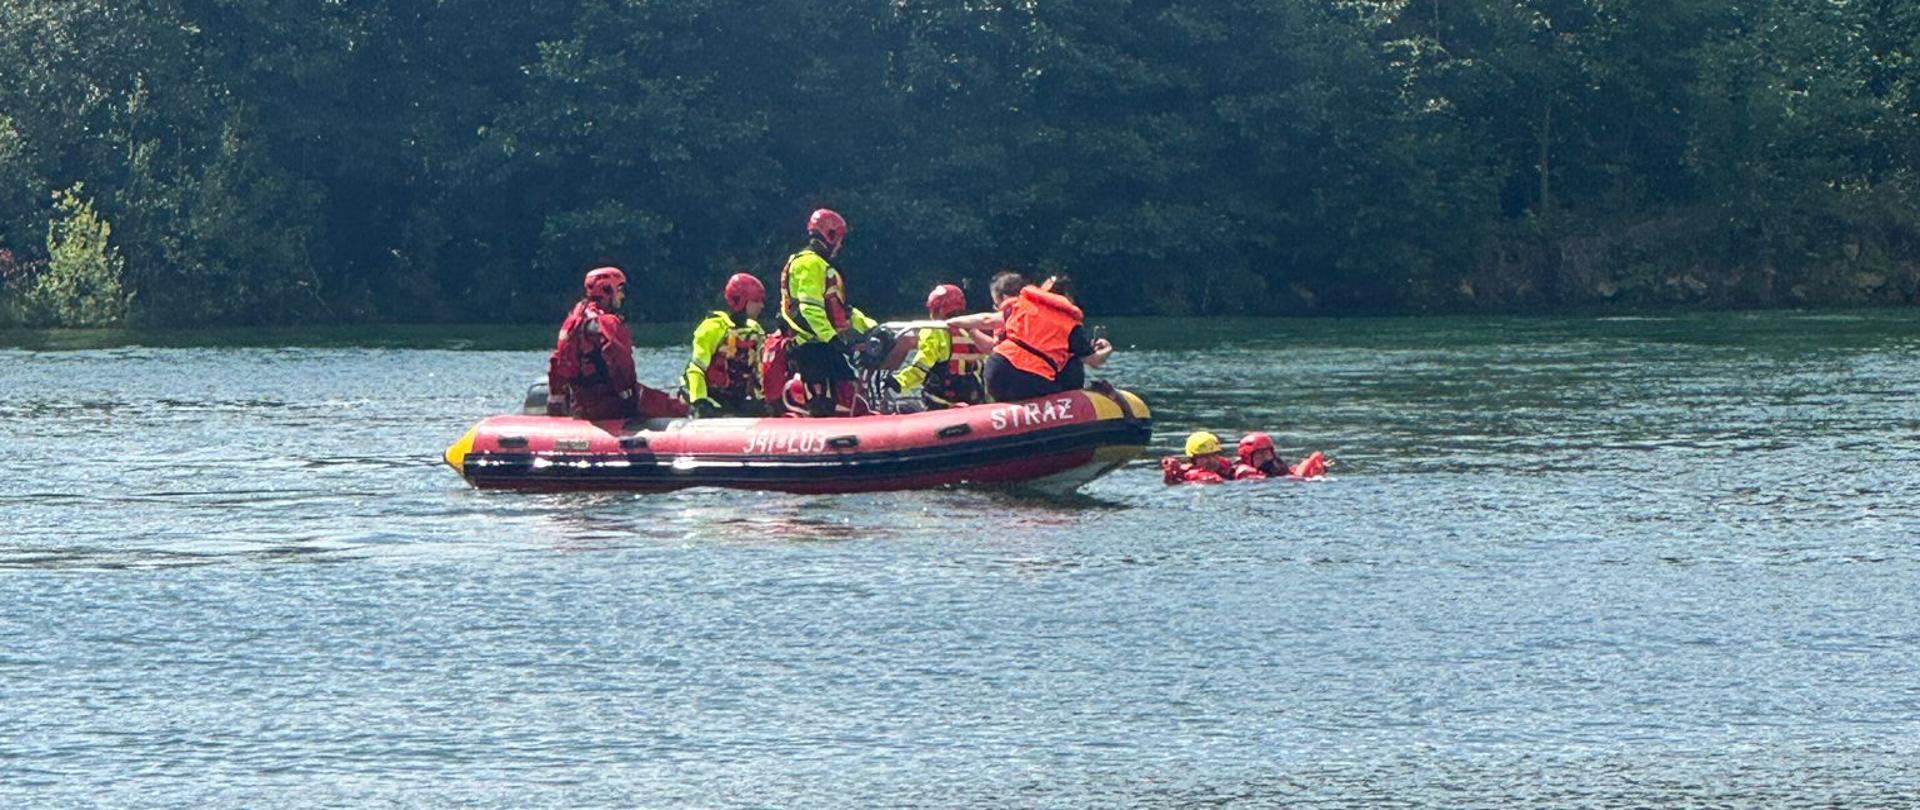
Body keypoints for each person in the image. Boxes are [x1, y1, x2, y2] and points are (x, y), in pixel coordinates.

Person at [548, 266, 689, 421]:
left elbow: (557, 363)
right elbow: (620, 363)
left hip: (582, 403)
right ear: (607, 290)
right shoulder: (607, 323)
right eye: (620, 290)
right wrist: (629, 397)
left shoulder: (573, 322)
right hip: (611, 403)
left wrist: (556, 400)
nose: (622, 296)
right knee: (677, 407)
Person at [778, 208, 876, 416]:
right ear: (830, 235)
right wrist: (833, 339)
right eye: (839, 239)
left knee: (850, 392)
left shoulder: (821, 265)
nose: (840, 246)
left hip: (826, 346)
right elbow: (809, 310)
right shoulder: (809, 263)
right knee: (822, 404)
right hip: (812, 348)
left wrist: (874, 329)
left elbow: (844, 312)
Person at [984, 274, 1114, 402]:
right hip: (1031, 380)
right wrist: (1107, 349)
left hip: (996, 370)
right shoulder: (1070, 325)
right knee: (1072, 359)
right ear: (1068, 298)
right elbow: (1094, 360)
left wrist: (965, 324)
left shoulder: (1025, 306)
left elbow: (986, 320)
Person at [889, 283, 987, 409]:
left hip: (940, 399)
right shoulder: (976, 330)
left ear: (938, 309)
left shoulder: (933, 331)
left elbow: (921, 366)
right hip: (973, 395)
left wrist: (899, 381)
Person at [684, 272, 768, 417]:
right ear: (740, 301)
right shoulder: (713, 327)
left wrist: (764, 400)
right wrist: (699, 401)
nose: (761, 305)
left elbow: (759, 371)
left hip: (735, 398)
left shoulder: (755, 330)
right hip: (709, 396)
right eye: (756, 300)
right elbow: (696, 369)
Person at [1234, 433, 1329, 479]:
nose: (1265, 458)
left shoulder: (1273, 464)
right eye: (1260, 454)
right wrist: (1301, 477)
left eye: (1267, 453)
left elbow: (1288, 472)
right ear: (1247, 458)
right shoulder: (1243, 472)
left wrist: (1314, 469)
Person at [1162, 431, 1236, 484]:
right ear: (1192, 459)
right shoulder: (1186, 474)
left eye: (1214, 455)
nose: (1211, 460)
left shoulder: (1229, 468)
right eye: (1204, 457)